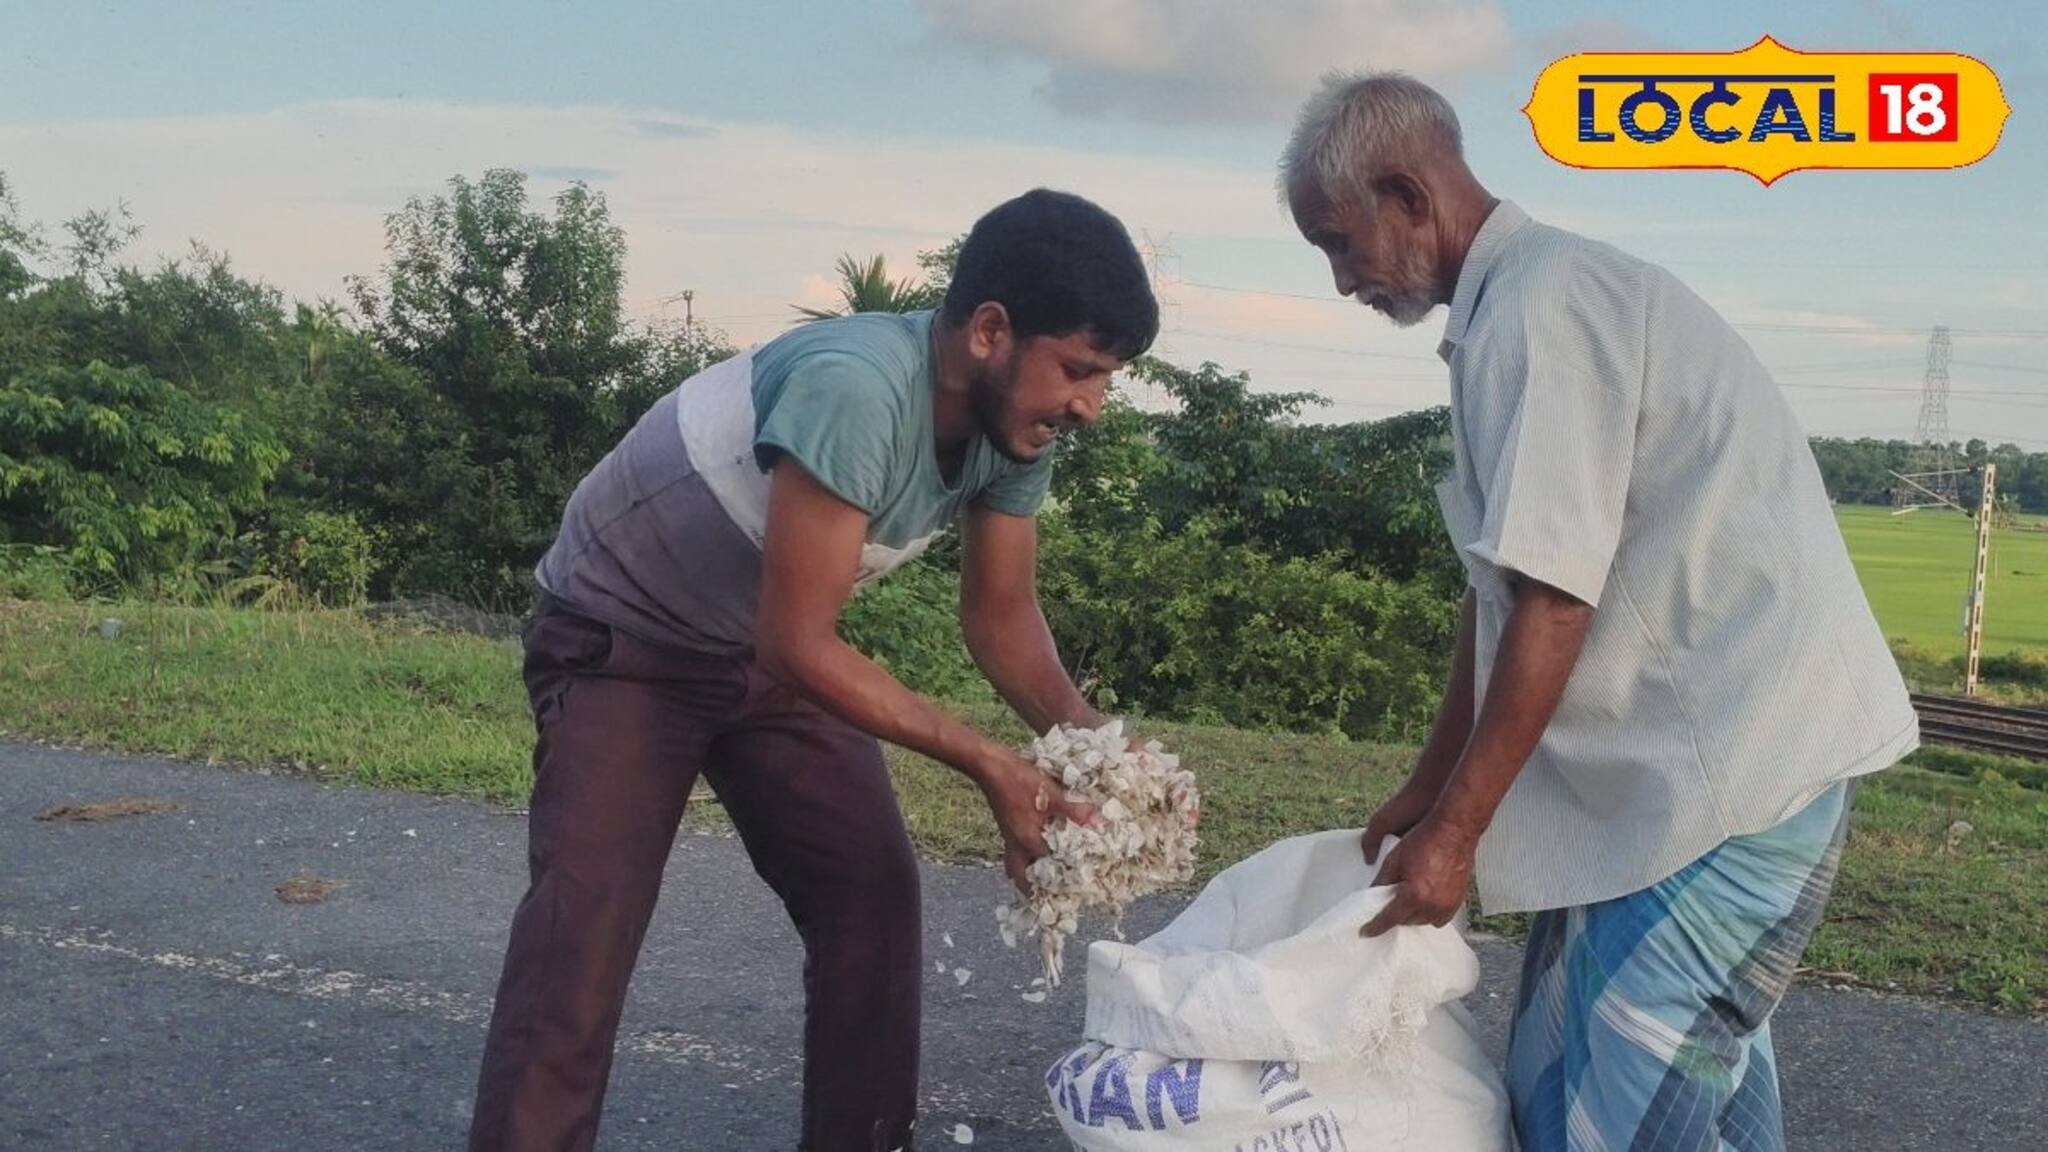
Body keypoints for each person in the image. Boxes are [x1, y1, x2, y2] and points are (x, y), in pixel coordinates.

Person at [1277, 73, 1918, 1151]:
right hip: (1677, 785)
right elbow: (1496, 593)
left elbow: (1551, 603)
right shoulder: (1517, 306)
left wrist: (1456, 838)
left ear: (1405, 195)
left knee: (1606, 1115)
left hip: (1731, 779)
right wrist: (1430, 791)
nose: (1341, 280)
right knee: (1588, 1079)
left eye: (1338, 244)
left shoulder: (1542, 313)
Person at [467, 188, 1160, 1151]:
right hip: (624, 642)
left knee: (870, 898)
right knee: (583, 934)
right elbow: (798, 642)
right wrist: (995, 766)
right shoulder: (858, 386)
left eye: (1107, 377)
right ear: (991, 333)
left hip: (761, 648)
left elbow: (1000, 617)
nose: (1090, 405)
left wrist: (1101, 752)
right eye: (1079, 370)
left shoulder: (1015, 429)